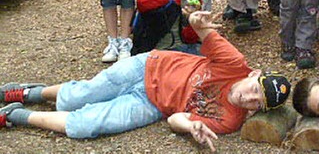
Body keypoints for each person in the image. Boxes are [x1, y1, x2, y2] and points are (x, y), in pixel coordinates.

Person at [0, 9, 291, 151]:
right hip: (149, 65)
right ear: (254, 74)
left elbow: (175, 120)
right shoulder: (234, 63)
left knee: (85, 125)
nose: (249, 98)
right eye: (255, 89)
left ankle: (18, 115)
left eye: (257, 102)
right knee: (80, 95)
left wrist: (191, 126)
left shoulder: (231, 119)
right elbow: (200, 29)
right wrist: (198, 23)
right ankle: (31, 92)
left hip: (152, 103)